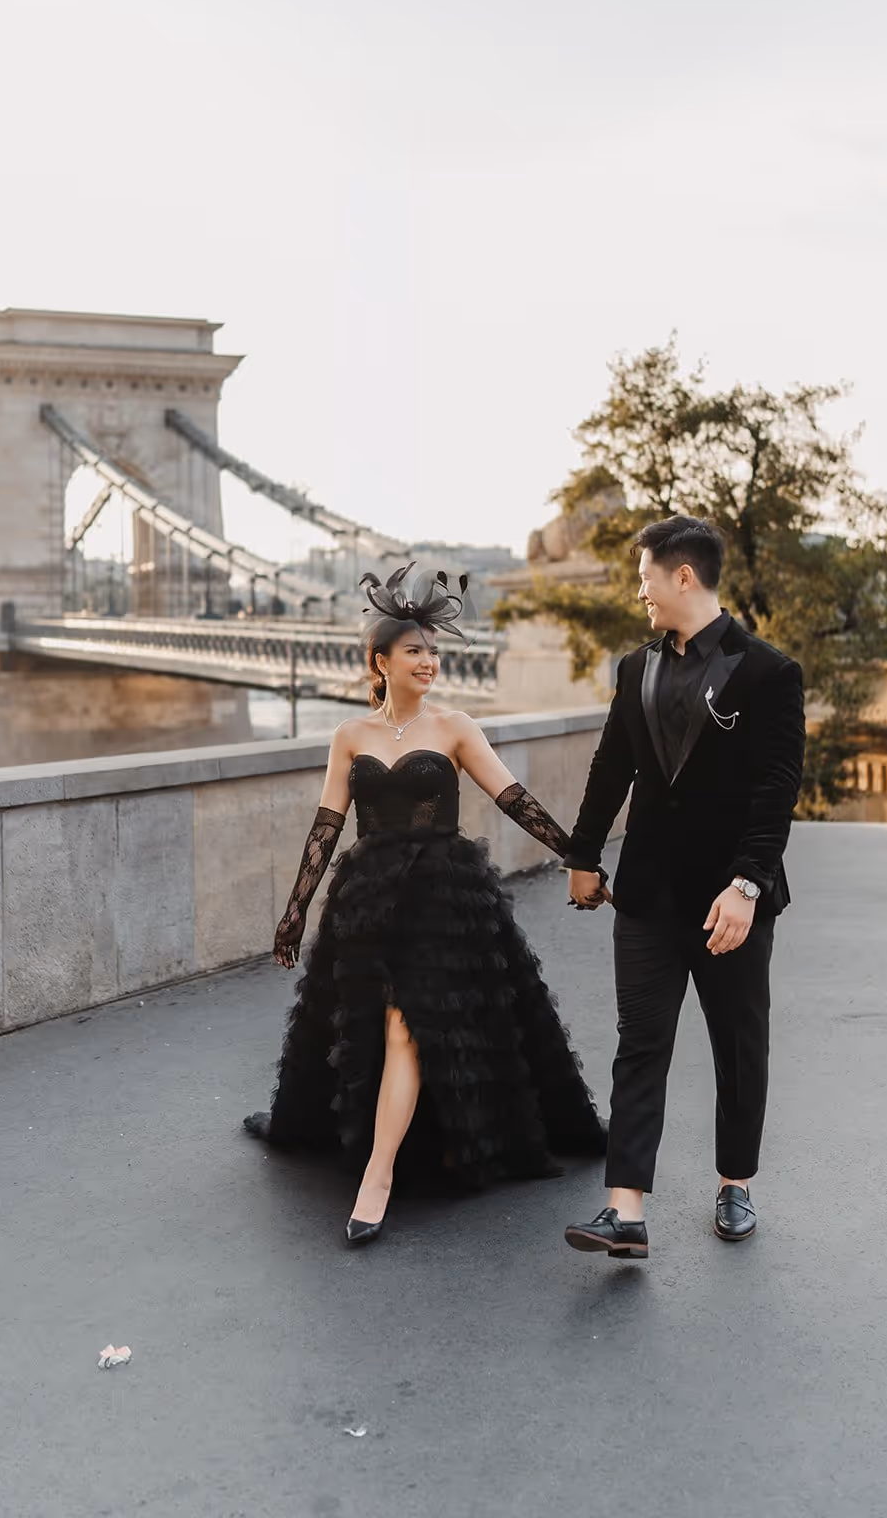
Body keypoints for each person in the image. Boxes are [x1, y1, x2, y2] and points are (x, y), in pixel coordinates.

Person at [243, 564, 607, 1246]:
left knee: (406, 1027)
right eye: (414, 651)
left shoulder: (456, 726)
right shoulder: (349, 736)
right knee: (378, 1028)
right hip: (368, 902)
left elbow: (513, 799)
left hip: (443, 899)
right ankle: (397, 1153)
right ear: (379, 661)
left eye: (433, 652)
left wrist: (578, 855)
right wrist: (295, 910)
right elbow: (326, 826)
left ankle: (376, 1177)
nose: (429, 662)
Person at [561, 516, 805, 1259]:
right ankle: (624, 1211)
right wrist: (582, 856)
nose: (639, 590)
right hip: (645, 895)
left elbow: (775, 790)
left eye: (645, 577)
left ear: (683, 577)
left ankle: (734, 1183)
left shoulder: (768, 672)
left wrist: (747, 885)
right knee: (640, 1044)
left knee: (737, 1045)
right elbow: (610, 768)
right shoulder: (634, 669)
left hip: (727, 900)